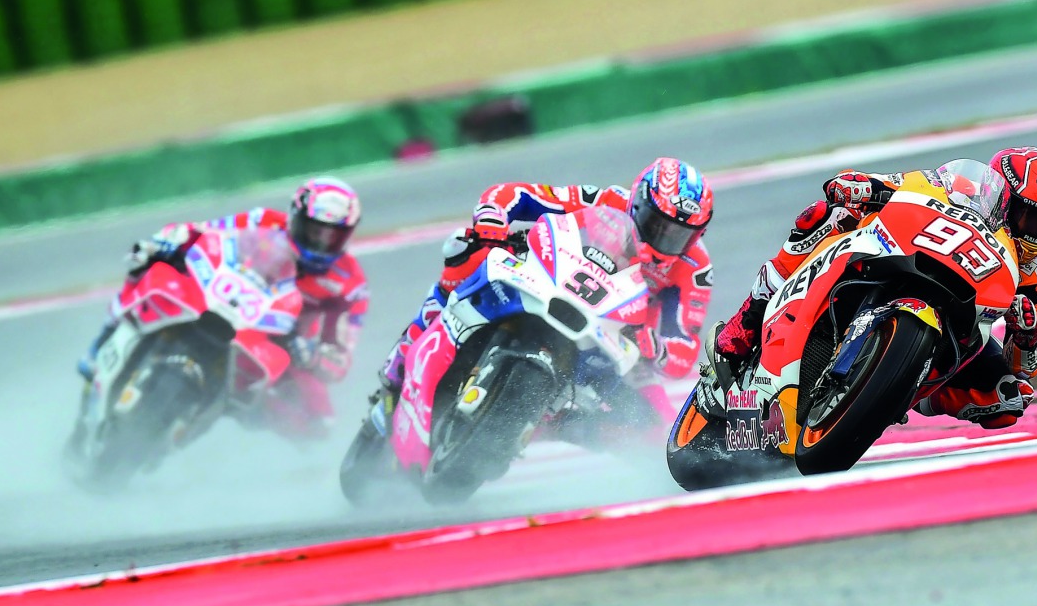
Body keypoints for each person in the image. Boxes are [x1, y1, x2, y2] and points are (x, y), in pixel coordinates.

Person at [714, 147, 1037, 429]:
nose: (1033, 232)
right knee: (824, 215)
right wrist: (862, 186)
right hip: (907, 256)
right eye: (1028, 216)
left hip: (960, 323)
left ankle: (897, 391)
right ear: (1003, 196)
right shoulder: (963, 188)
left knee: (1010, 396)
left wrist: (1028, 332)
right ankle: (747, 320)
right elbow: (903, 185)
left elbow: (1026, 366)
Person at [373, 157, 716, 435]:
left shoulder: (694, 269)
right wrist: (492, 225)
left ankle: (572, 427)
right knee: (466, 253)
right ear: (638, 203)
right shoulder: (607, 201)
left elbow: (683, 349)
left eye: (676, 235)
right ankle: (403, 359)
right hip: (551, 287)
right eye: (657, 225)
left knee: (668, 431)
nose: (662, 241)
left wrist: (654, 346)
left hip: (611, 342)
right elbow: (513, 194)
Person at [77, 176, 369, 437]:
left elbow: (341, 356)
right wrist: (167, 242)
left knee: (320, 423)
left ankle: (239, 416)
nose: (322, 242)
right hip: (224, 300)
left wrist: (314, 356)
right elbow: (206, 232)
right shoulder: (263, 220)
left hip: (278, 343)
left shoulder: (350, 284)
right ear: (295, 217)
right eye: (315, 231)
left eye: (333, 236)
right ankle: (103, 339)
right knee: (152, 269)